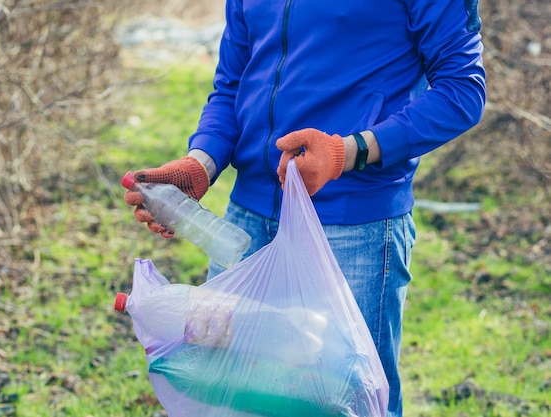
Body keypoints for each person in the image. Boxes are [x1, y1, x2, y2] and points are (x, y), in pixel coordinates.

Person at [123, 1, 486, 416]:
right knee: (232, 395)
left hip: (352, 225)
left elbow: (462, 91)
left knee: (345, 400)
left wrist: (348, 151)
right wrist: (200, 164)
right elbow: (233, 85)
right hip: (244, 225)